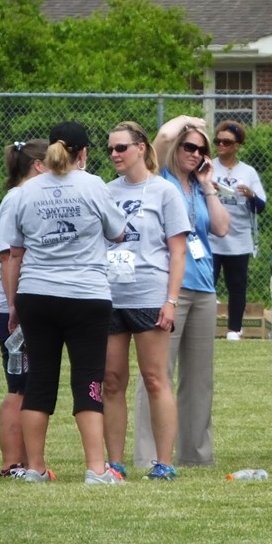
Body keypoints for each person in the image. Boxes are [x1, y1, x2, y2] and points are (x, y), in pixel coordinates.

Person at [5, 122, 127, 484]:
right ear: (83, 152)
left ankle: (35, 468)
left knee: (39, 381)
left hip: (35, 294)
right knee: (88, 380)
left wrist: (14, 304)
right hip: (86, 295)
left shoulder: (26, 191)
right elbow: (118, 232)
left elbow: (15, 253)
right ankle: (96, 469)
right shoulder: (94, 186)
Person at [133, 116, 230, 468]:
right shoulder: (159, 178)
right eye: (189, 146)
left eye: (202, 150)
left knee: (200, 378)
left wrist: (208, 185)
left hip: (203, 287)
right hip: (168, 289)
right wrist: (190, 121)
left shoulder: (200, 186)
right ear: (177, 148)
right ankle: (148, 456)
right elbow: (162, 135)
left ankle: (196, 455)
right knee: (157, 374)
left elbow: (221, 227)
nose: (195, 153)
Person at [103, 121, 189, 481]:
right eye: (110, 148)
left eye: (121, 147)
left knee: (155, 379)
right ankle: (114, 464)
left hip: (149, 295)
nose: (114, 154)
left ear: (141, 148)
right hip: (111, 296)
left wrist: (171, 300)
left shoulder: (164, 191)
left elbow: (178, 251)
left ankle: (163, 462)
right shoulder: (105, 191)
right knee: (111, 381)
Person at [0, 139, 47, 477]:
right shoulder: (17, 199)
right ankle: (12, 463)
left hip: (20, 306)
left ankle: (29, 462)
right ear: (38, 165)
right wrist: (16, 306)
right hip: (10, 310)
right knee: (19, 386)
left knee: (28, 384)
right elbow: (6, 258)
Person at [209, 120, 267, 341]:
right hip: (211, 236)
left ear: (237, 145)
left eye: (226, 142)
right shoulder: (208, 167)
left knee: (237, 285)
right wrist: (208, 189)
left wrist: (250, 195)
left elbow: (260, 206)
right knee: (207, 284)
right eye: (218, 141)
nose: (221, 145)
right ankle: (204, 326)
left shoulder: (248, 172)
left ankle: (234, 329)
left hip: (239, 237)